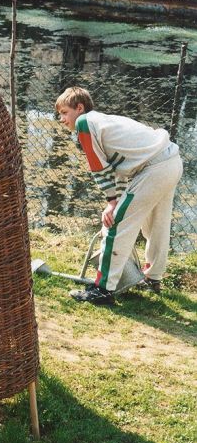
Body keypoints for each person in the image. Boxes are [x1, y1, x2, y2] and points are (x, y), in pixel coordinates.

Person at [55, 86, 183, 306]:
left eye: (65, 113)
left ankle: (103, 289)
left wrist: (111, 202)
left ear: (79, 108)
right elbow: (121, 169)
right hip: (170, 160)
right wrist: (117, 198)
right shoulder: (103, 121)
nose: (62, 119)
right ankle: (153, 278)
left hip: (154, 168)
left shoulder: (85, 123)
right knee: (156, 224)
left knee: (117, 224)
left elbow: (98, 168)